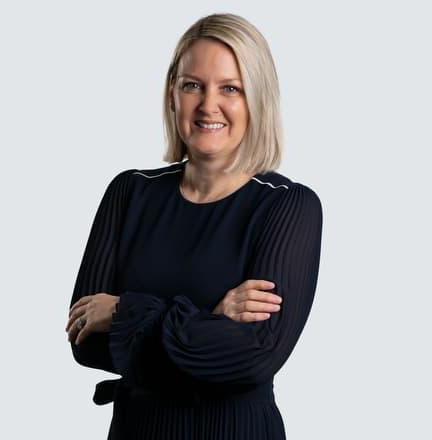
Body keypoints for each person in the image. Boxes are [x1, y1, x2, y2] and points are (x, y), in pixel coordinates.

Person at [66, 12, 323, 440]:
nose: (208, 105)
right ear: (172, 93)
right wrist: (210, 319)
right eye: (192, 85)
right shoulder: (129, 192)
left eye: (230, 88)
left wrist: (124, 312)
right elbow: (85, 342)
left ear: (257, 99)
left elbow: (254, 357)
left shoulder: (287, 206)